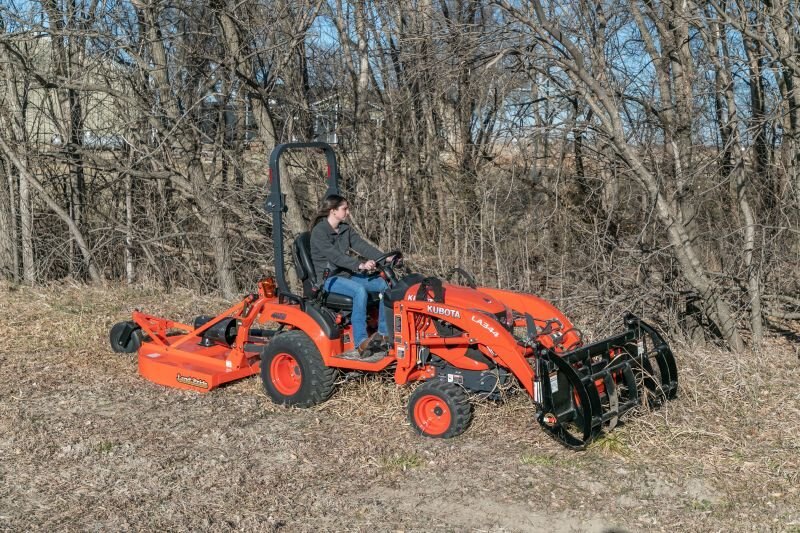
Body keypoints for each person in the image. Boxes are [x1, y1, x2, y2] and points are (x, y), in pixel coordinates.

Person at [309, 195, 390, 358]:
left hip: (346, 275)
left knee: (383, 286)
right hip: (328, 279)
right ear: (333, 211)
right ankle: (360, 342)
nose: (347, 211)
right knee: (359, 290)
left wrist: (386, 257)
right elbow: (335, 257)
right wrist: (359, 265)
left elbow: (363, 246)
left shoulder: (345, 229)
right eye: (344, 208)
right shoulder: (319, 232)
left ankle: (383, 333)